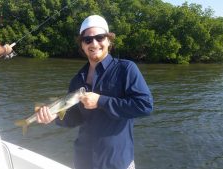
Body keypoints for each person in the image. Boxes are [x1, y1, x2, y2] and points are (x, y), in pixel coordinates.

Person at [36, 15, 153, 169]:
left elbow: (145, 106)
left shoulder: (126, 69)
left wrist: (100, 101)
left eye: (100, 37)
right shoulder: (77, 80)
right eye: (88, 40)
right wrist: (54, 117)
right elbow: (75, 118)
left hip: (116, 162)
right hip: (83, 160)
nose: (94, 43)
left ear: (109, 40)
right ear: (82, 45)